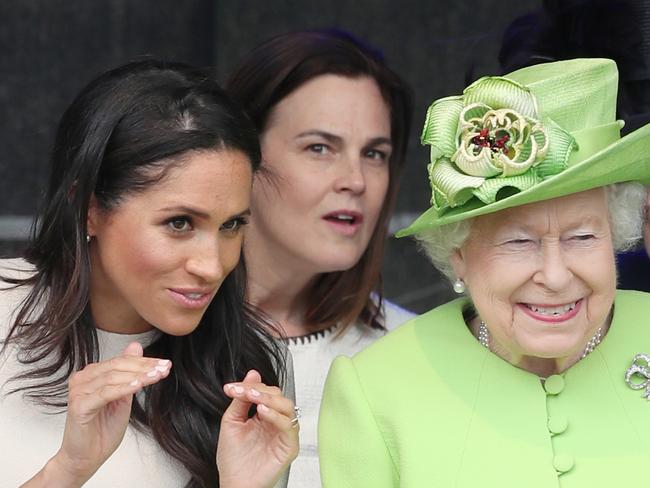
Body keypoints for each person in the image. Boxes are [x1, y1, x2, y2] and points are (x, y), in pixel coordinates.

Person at [319, 58, 650, 487]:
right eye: (519, 242)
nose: (555, 276)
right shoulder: (374, 390)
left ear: (616, 235)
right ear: (457, 252)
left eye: (582, 237)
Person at [0, 60, 298, 488]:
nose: (212, 266)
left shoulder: (248, 362)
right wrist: (68, 470)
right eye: (179, 223)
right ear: (89, 210)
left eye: (232, 224)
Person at [225, 30, 414, 486]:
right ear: (242, 155)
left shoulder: (414, 353)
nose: (356, 180)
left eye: (374, 153)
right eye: (319, 147)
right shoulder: (149, 338)